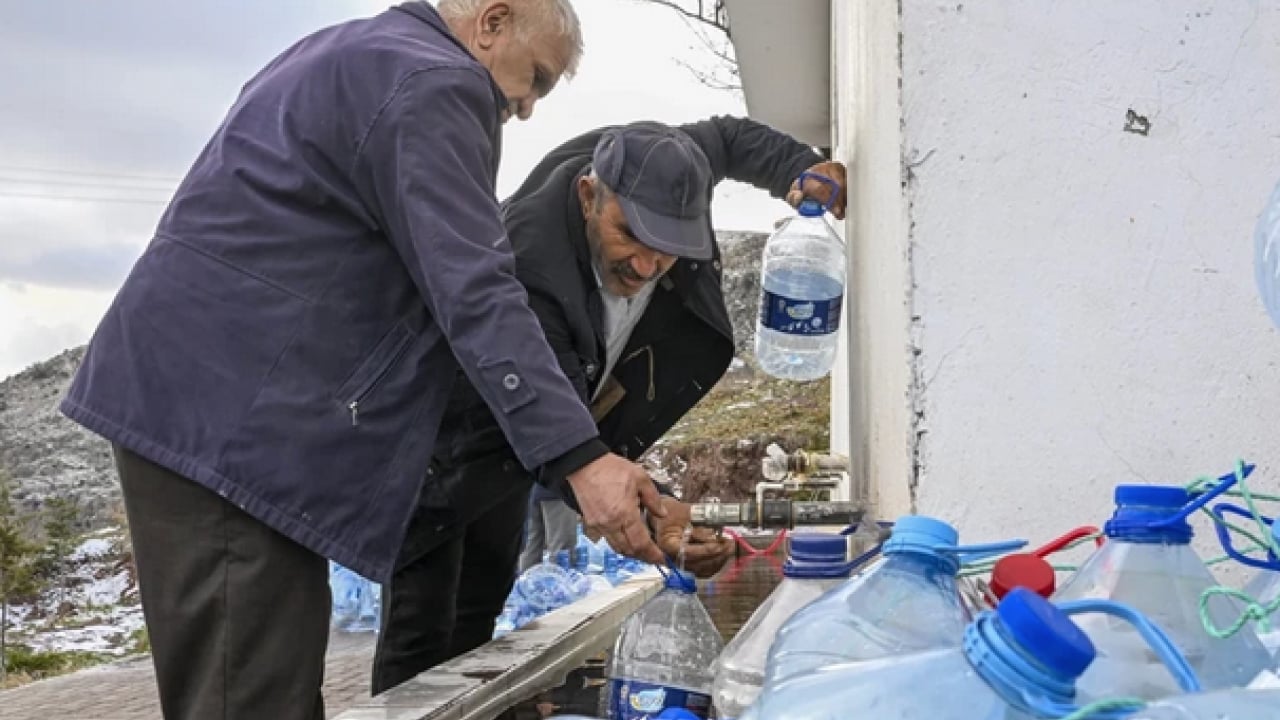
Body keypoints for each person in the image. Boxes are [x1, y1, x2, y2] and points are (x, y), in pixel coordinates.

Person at [57, 2, 672, 718]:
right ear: (492, 22)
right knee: (250, 699)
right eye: (534, 78)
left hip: (203, 411)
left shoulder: (351, 52)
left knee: (245, 686)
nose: (528, 107)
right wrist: (579, 455)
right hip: (229, 431)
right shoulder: (435, 84)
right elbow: (474, 291)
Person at [372, 118, 847, 693]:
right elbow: (565, 431)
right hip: (446, 439)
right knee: (422, 630)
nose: (646, 266)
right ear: (589, 195)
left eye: (668, 250)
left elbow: (724, 140)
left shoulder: (667, 165)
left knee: (478, 611)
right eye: (630, 236)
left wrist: (796, 166)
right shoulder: (527, 269)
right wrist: (653, 514)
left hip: (518, 456)